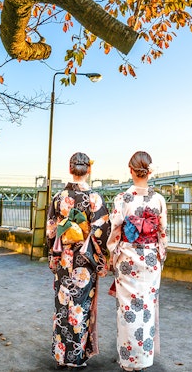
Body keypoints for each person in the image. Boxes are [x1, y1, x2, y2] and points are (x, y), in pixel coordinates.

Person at [45, 152, 111, 369]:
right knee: (80, 306)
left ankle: (61, 355)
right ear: (88, 170)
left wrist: (54, 257)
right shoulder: (94, 198)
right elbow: (101, 232)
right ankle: (76, 357)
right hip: (85, 259)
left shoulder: (58, 198)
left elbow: (51, 232)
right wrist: (102, 260)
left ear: (70, 168)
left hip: (64, 257)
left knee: (63, 304)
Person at [106, 151, 168, 372]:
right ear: (149, 171)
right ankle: (143, 359)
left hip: (128, 259)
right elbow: (162, 234)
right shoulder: (158, 200)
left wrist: (114, 256)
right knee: (147, 307)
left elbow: (114, 234)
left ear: (130, 170)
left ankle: (128, 360)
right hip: (150, 259)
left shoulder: (122, 199)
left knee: (127, 309)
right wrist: (159, 257)